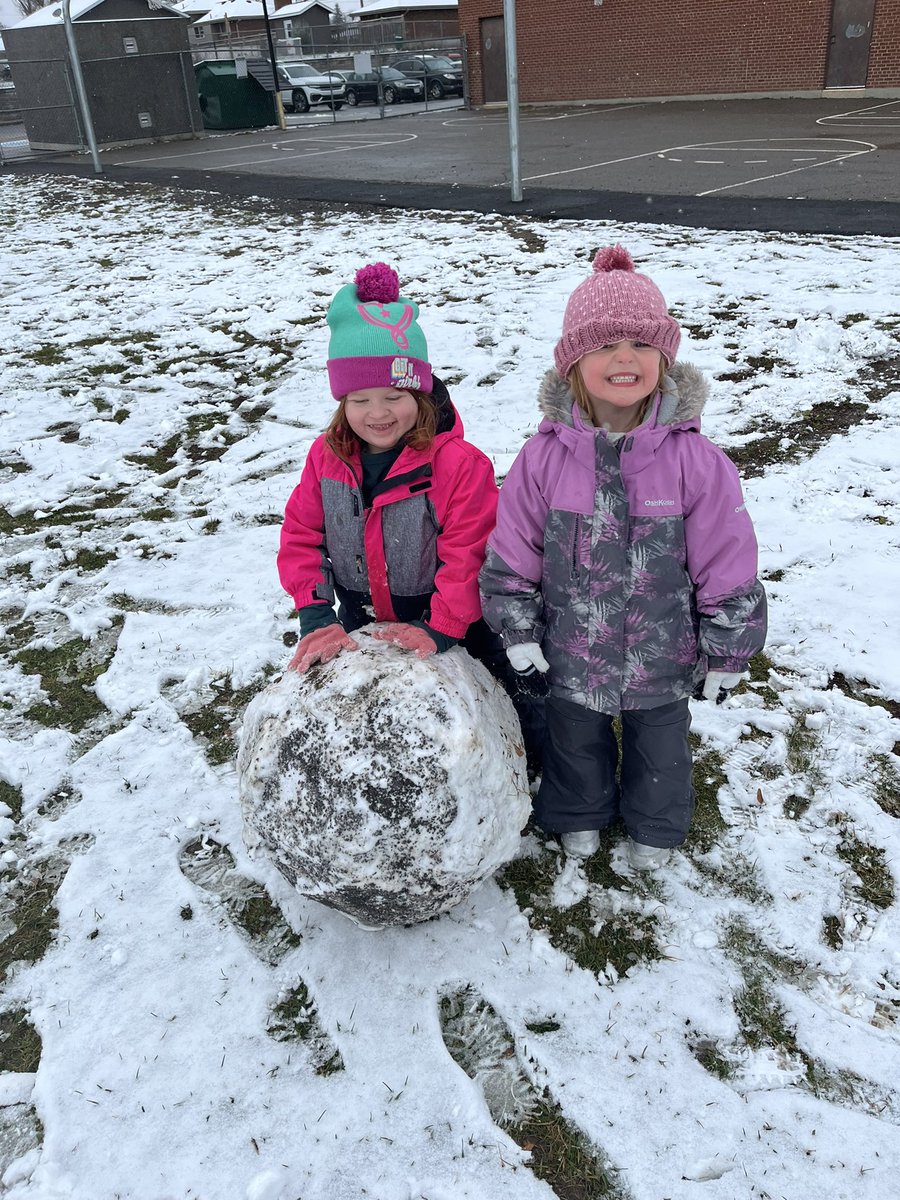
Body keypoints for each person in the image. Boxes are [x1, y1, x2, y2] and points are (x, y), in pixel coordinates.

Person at [479, 245, 767, 868]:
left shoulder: (696, 463)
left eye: (641, 344)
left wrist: (728, 646)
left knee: (659, 745)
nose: (624, 358)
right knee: (574, 738)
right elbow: (515, 549)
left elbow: (726, 558)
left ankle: (655, 824)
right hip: (571, 646)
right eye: (606, 345)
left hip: (661, 649)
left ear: (665, 358)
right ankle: (579, 812)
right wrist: (517, 627)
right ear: (574, 363)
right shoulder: (543, 459)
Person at [278, 262, 500, 677]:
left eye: (394, 396)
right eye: (360, 400)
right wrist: (317, 615)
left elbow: (470, 553)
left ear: (420, 395)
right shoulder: (327, 458)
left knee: (505, 701)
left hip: (458, 627)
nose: (377, 413)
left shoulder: (459, 466)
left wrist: (442, 626)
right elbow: (301, 536)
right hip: (363, 619)